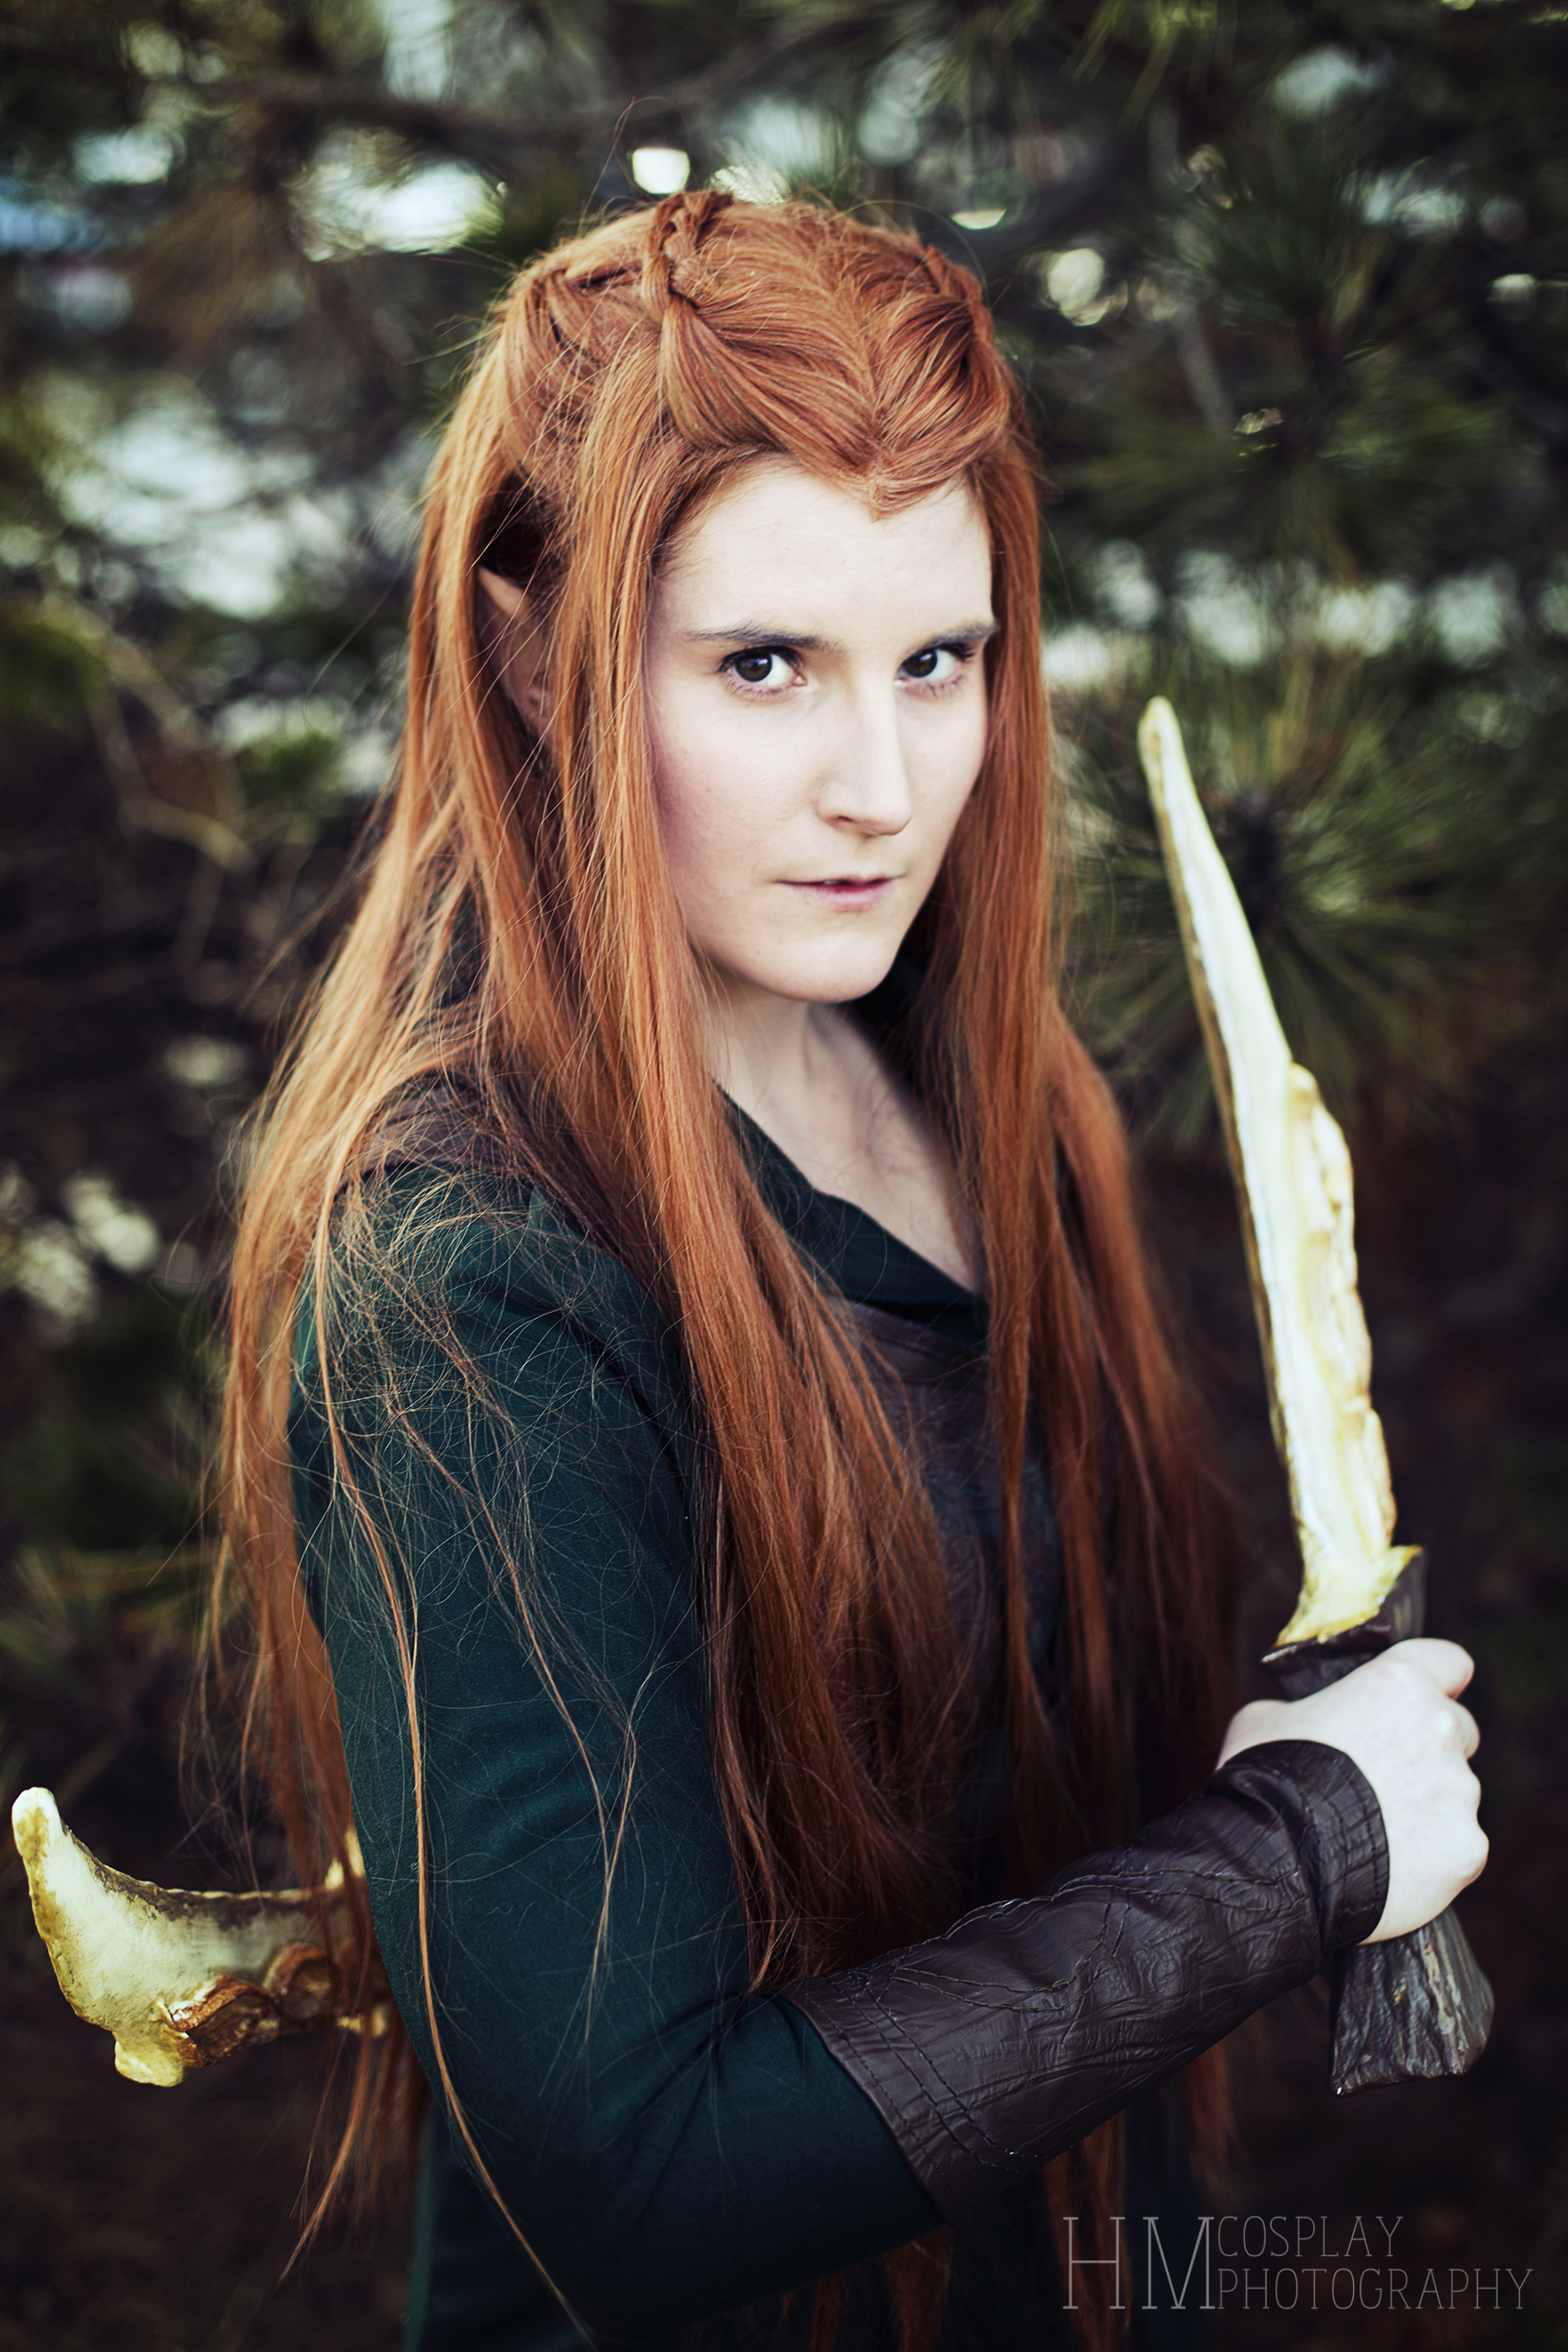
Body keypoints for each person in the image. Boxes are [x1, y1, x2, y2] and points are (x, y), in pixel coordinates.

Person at [219, 193, 1487, 2352]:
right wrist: (1295, 1851)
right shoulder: (467, 1278)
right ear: (531, 655)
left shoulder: (988, 1093)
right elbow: (640, 2180)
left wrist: (1272, 1767)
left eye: (938, 661)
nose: (883, 791)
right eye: (763, 665)